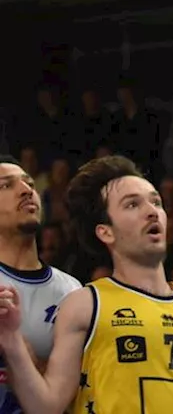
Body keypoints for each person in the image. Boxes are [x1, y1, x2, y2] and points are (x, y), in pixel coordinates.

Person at [0, 155, 173, 413]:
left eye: (156, 202)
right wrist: (13, 343)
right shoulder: (85, 303)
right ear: (105, 231)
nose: (152, 211)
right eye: (132, 204)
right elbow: (47, 405)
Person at [0, 157, 81, 412]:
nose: (26, 190)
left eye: (29, 183)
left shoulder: (72, 292)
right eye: (5, 186)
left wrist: (27, 361)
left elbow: (79, 392)